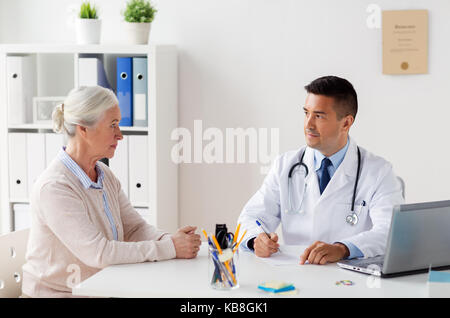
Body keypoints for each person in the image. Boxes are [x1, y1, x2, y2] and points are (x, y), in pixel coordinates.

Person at [21, 86, 201, 298]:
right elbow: (99, 253)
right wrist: (170, 248)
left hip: (101, 288)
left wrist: (171, 239)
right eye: (113, 125)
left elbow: (134, 229)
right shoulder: (54, 187)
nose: (120, 135)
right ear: (83, 129)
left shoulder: (103, 174)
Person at [237, 76, 404, 265]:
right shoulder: (285, 165)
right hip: (297, 276)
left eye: (319, 116)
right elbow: (251, 217)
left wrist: (343, 248)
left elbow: (390, 230)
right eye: (306, 113)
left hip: (350, 279)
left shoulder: (378, 171)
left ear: (346, 123)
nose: (308, 124)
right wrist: (255, 240)